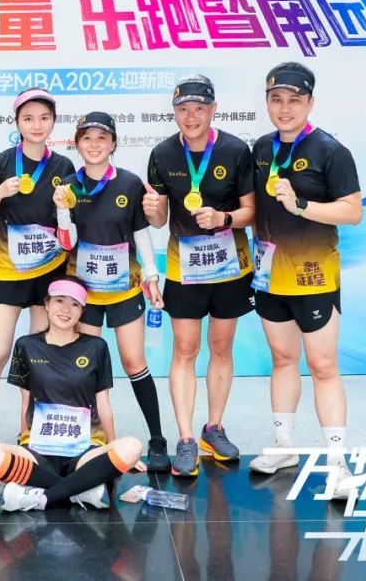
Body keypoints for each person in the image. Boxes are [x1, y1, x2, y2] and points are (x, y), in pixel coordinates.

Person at [246, 62, 362, 500]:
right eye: (276, 99)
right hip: (269, 275)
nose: (284, 108)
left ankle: (338, 463)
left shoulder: (331, 150)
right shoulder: (261, 147)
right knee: (281, 359)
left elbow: (352, 211)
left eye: (294, 100)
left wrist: (301, 206)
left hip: (314, 276)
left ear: (310, 102)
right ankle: (283, 446)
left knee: (323, 366)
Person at [144, 74, 256, 477]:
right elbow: (159, 220)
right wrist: (153, 209)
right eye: (183, 109)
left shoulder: (235, 149)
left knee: (221, 348)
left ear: (213, 109)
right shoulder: (162, 153)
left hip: (229, 266)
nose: (191, 117)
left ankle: (214, 428)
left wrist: (223, 217)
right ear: (174, 112)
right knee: (185, 350)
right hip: (184, 268)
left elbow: (251, 212)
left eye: (199, 108)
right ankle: (186, 437)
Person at [0, 88, 76, 473]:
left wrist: (64, 208)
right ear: (17, 123)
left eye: (44, 118)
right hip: (7, 271)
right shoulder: (0, 162)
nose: (36, 125)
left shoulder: (64, 165)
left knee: (39, 358)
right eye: (28, 118)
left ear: (53, 122)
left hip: (49, 273)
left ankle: (30, 433)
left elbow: (69, 227)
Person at [52, 112, 170, 473]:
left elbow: (141, 233)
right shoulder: (68, 186)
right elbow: (67, 242)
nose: (94, 145)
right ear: (77, 144)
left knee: (134, 362)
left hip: (124, 290)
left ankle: (157, 439)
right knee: (84, 368)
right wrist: (62, 211)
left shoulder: (130, 183)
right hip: (83, 296)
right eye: (87, 138)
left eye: (102, 138)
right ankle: (86, 440)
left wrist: (152, 275)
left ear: (113, 143)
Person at [0, 278, 146, 511]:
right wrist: (25, 444)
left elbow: (104, 405)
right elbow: (26, 403)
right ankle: (77, 490)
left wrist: (114, 454)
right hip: (39, 449)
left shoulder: (96, 347)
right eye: (59, 301)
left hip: (85, 448)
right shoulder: (26, 346)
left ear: (82, 311)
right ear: (47, 304)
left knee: (132, 447)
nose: (66, 309)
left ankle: (43, 496)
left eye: (74, 304)